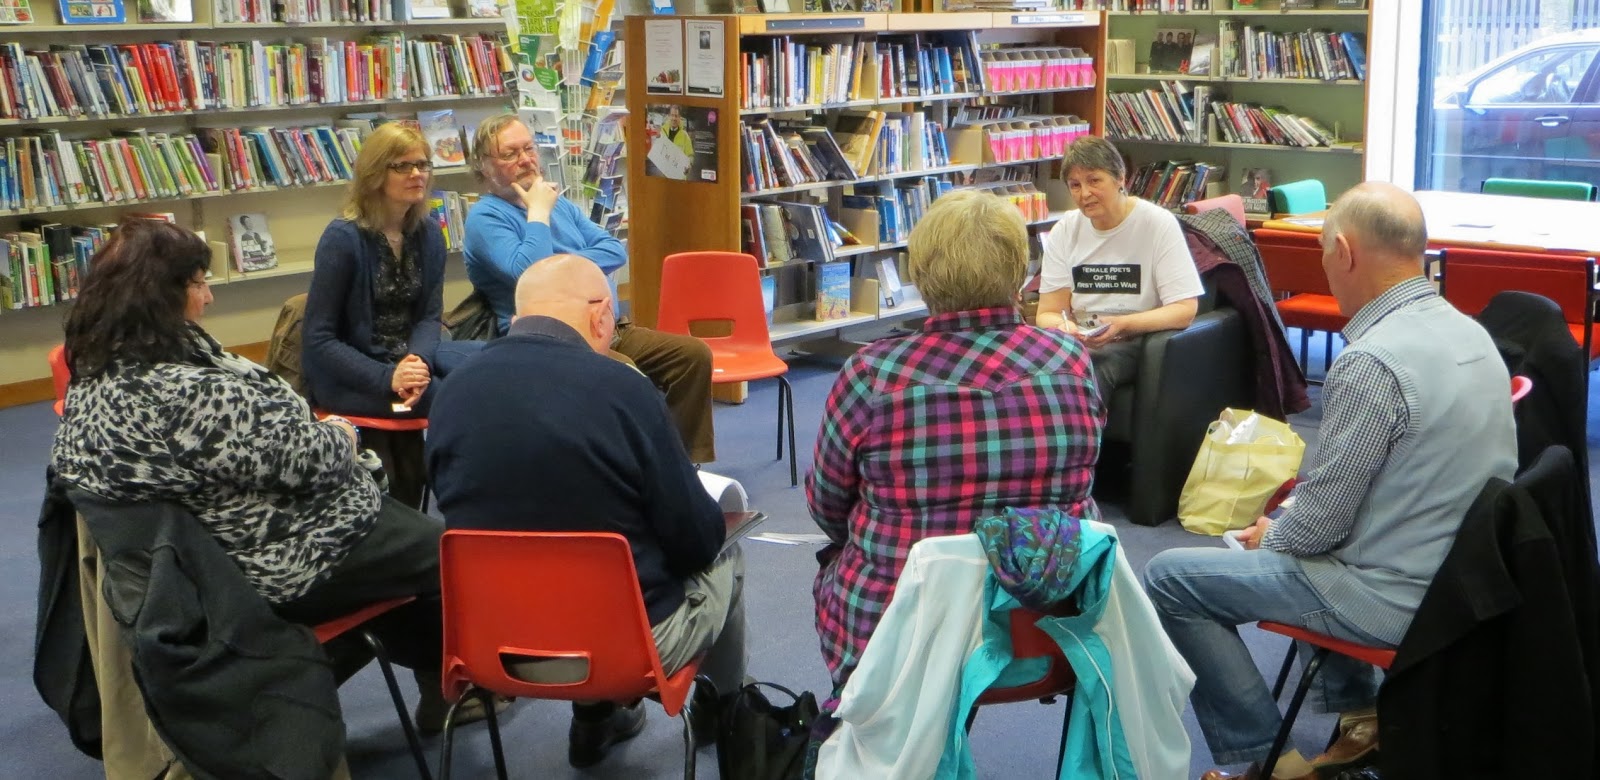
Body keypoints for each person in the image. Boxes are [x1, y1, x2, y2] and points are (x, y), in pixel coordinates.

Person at [48, 218, 488, 737]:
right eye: (197, 283)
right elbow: (312, 459)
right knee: (454, 555)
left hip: (212, 559)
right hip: (281, 558)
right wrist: (341, 432)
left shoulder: (95, 381)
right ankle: (372, 687)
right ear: (159, 294)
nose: (208, 297)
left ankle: (319, 682)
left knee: (404, 562)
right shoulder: (189, 396)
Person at [1142, 183, 1518, 780]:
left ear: (1343, 250)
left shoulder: (1374, 362)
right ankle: (1363, 713)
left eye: (1322, 252)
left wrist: (1273, 532)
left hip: (1392, 596)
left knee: (1170, 577)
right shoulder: (1471, 332)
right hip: (1461, 579)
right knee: (1295, 535)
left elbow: (1318, 527)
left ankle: (1273, 763)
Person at [427, 253, 748, 768]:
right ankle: (729, 715)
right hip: (626, 650)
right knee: (727, 553)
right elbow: (695, 538)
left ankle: (596, 720)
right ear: (601, 316)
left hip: (493, 647)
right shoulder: (625, 390)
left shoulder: (450, 393)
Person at [808, 190, 1104, 724]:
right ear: (1023, 271)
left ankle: (877, 735)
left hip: (899, 632)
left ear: (919, 273)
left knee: (840, 562)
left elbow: (827, 505)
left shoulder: (873, 374)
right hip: (1042, 626)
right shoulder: (1071, 361)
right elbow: (1084, 478)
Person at [463, 113, 716, 463]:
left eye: (528, 149)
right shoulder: (486, 217)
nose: (525, 160)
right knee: (628, 378)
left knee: (691, 356)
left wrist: (560, 262)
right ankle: (634, 472)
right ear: (484, 167)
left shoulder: (560, 205)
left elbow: (614, 249)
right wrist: (537, 213)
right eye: (510, 154)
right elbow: (530, 272)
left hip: (606, 326)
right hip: (547, 343)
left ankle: (681, 464)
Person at [303, 122, 480, 508]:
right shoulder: (343, 239)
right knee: (443, 402)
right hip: (351, 374)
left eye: (423, 164)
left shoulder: (429, 233)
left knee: (472, 390)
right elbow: (319, 339)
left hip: (407, 365)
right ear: (375, 174)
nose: (417, 174)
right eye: (402, 166)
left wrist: (416, 362)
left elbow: (429, 317)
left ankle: (448, 514)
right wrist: (389, 376)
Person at [1035, 135, 1204, 400]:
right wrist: (1067, 329)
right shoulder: (1065, 230)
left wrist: (1122, 325)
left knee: (1091, 366)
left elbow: (1185, 309)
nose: (1085, 194)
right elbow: (1047, 313)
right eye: (1075, 185)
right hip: (1080, 339)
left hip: (1137, 339)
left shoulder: (1157, 223)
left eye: (1094, 180)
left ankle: (1083, 440)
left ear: (1120, 178)